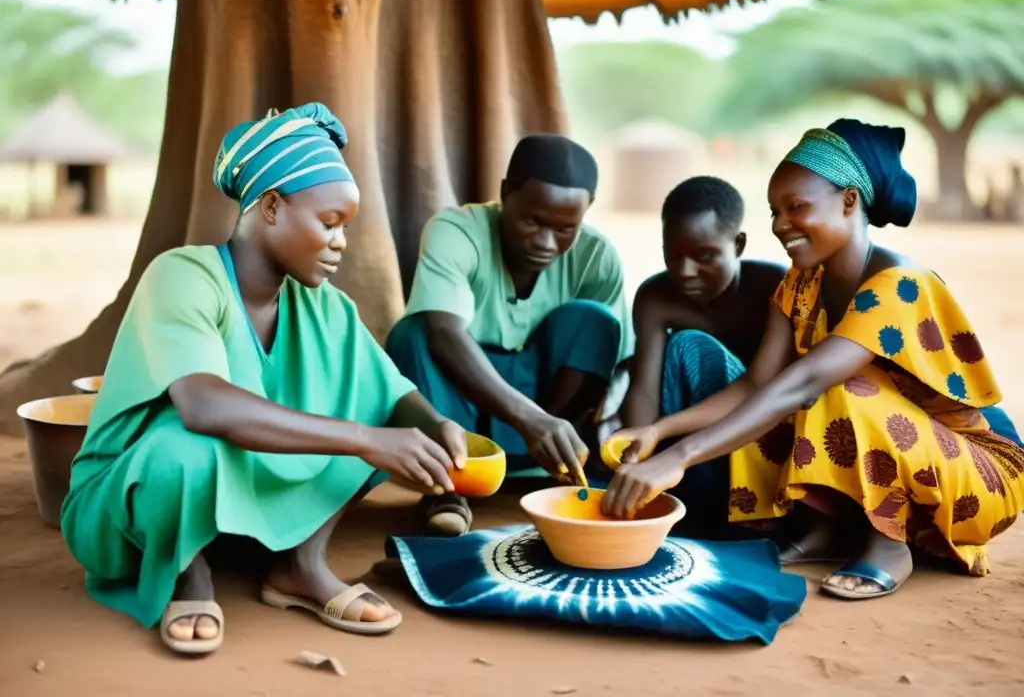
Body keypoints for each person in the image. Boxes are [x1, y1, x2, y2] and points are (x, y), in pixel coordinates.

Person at [60, 103, 468, 655]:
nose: (341, 242)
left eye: (345, 227)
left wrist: (436, 425)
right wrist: (367, 440)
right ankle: (187, 573)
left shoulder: (328, 308)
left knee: (364, 415)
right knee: (187, 448)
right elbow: (204, 408)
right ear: (271, 206)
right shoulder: (184, 276)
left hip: (237, 484)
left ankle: (299, 564)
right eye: (329, 223)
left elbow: (390, 394)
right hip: (127, 503)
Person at [602, 118, 1024, 600]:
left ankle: (888, 544)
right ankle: (823, 527)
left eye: (796, 207)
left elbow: (804, 383)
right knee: (769, 408)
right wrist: (662, 431)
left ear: (849, 201)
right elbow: (757, 384)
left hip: (974, 475)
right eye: (774, 211)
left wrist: (679, 458)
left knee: (839, 387)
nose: (780, 225)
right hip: (901, 458)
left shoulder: (900, 284)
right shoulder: (800, 284)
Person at [386, 133, 634, 536]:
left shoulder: (597, 257)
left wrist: (607, 445)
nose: (545, 242)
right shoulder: (456, 230)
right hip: (465, 418)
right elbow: (444, 333)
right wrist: (528, 418)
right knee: (414, 333)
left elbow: (616, 362)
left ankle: (555, 467)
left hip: (546, 429)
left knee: (594, 321)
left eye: (566, 228)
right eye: (532, 221)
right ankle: (449, 485)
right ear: (504, 194)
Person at [618, 176, 785, 527]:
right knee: (673, 353)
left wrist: (661, 432)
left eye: (704, 255)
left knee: (692, 346)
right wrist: (634, 456)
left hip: (762, 440)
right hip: (683, 443)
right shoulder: (656, 297)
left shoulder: (775, 288)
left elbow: (764, 388)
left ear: (738, 245)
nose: (684, 271)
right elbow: (645, 387)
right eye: (672, 255)